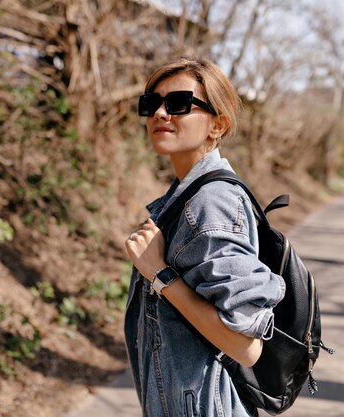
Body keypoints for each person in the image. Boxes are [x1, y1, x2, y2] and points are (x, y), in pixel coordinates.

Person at [124, 57, 285, 417]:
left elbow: (246, 346)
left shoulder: (210, 204)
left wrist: (160, 274)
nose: (161, 113)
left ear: (218, 124)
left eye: (179, 103)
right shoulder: (187, 195)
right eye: (151, 103)